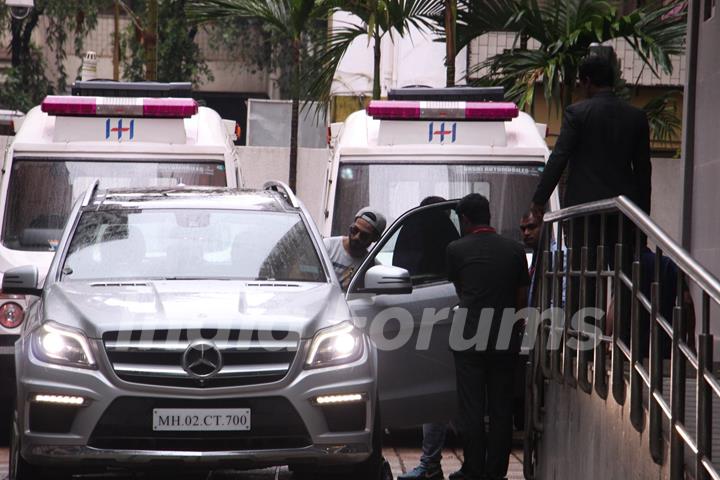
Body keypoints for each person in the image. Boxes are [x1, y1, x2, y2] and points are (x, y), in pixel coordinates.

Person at [530, 53, 652, 336]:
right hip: (624, 212)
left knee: (583, 276)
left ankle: (583, 342)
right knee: (624, 279)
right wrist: (643, 218)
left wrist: (538, 201)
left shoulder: (577, 113)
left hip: (583, 211)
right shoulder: (635, 117)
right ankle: (623, 342)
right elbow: (643, 171)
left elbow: (559, 158)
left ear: (586, 82)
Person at [446, 193, 529, 480]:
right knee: (501, 409)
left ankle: (473, 470)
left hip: (468, 334)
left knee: (472, 408)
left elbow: (460, 290)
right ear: (488, 216)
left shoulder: (455, 249)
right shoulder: (515, 250)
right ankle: (496, 473)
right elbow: (521, 299)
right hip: (505, 333)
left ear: (466, 220)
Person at [396, 196, 460, 480]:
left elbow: (402, 271)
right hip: (450, 317)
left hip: (417, 317)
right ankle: (473, 465)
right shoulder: (449, 234)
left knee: (431, 393)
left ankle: (430, 463)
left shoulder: (412, 230)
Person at [323, 207, 386, 290]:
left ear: (375, 239)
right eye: (354, 230)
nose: (356, 237)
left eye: (364, 236)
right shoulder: (327, 246)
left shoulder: (372, 268)